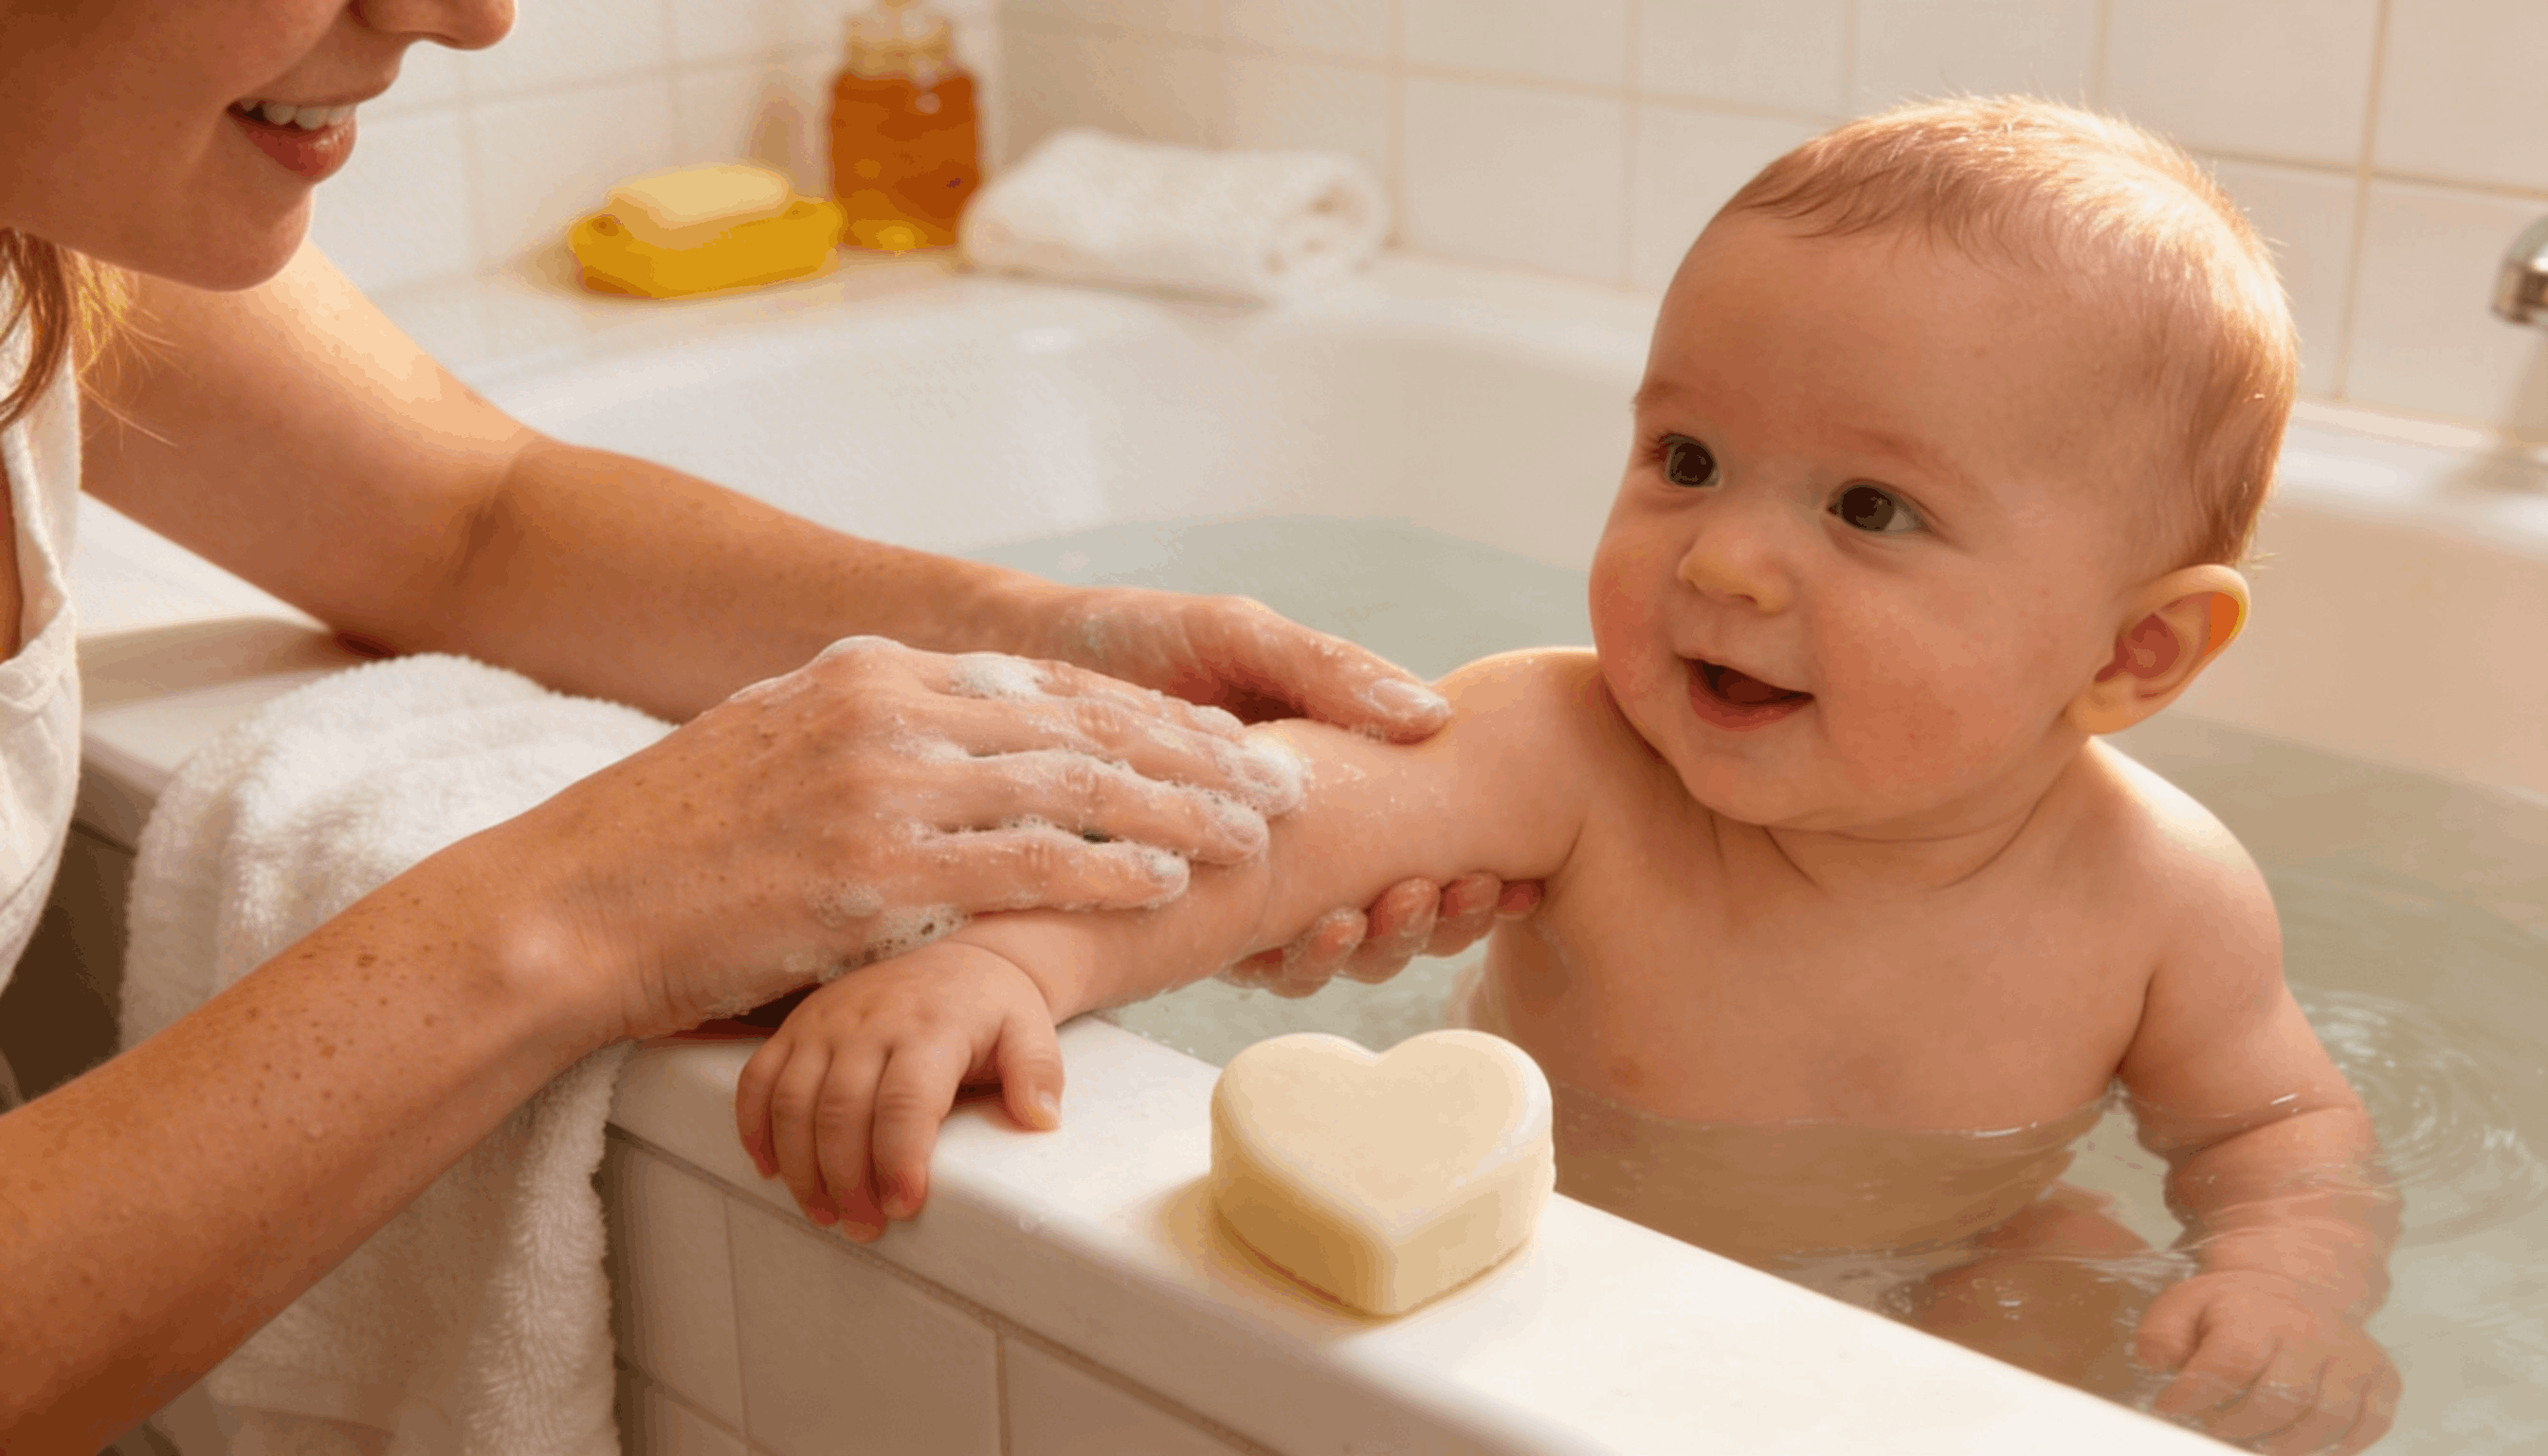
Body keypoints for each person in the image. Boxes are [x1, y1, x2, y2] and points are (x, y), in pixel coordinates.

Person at [733, 98, 2403, 1456]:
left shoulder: (2164, 892)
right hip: (1545, 1230)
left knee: (2097, 1346)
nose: (1728, 561)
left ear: (2134, 657)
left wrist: (2286, 1284)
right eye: (1685, 459)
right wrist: (1009, 959)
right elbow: (1255, 840)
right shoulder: (1569, 745)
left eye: (1869, 510)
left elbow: (2276, 1131)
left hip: (1972, 1250)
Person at [0, 2, 1537, 1448]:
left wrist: (1051, 639)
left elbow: (464, 519)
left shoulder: (52, 229)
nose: (472, 15)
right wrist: (587, 903)